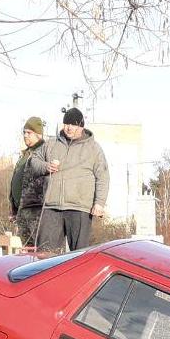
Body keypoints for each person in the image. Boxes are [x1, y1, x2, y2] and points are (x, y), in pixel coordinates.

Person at [30, 108, 109, 252]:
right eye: (66, 123)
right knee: (45, 254)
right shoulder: (51, 144)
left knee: (79, 256)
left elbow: (103, 176)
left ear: (81, 126)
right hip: (51, 207)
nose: (69, 128)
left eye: (73, 124)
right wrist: (45, 166)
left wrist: (99, 203)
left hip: (79, 208)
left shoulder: (93, 148)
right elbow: (34, 160)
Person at [9, 116, 47, 247]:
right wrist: (14, 208)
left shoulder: (44, 151)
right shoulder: (25, 154)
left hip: (36, 210)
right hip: (22, 209)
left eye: (29, 133)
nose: (25, 135)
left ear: (38, 133)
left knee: (40, 250)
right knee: (28, 252)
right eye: (24, 132)